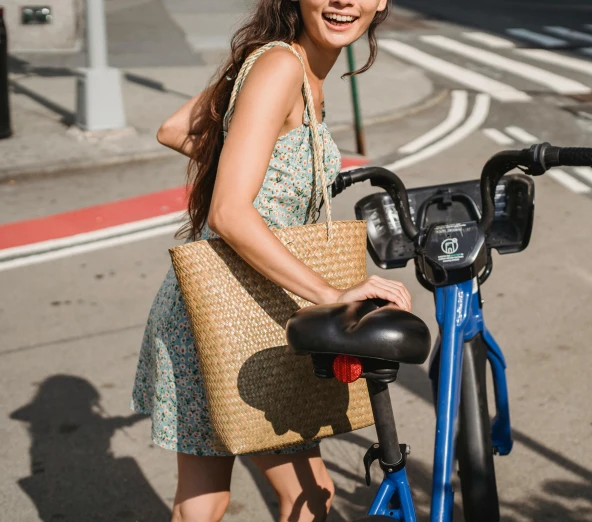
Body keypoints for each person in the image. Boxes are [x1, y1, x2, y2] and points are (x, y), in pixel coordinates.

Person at [131, 1, 411, 521]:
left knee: (222, 502)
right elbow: (232, 214)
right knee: (292, 496)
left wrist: (245, 156)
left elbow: (174, 128)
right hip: (229, 313)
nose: (343, 1)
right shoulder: (281, 66)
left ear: (380, 2)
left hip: (241, 305)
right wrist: (330, 294)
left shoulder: (290, 67)